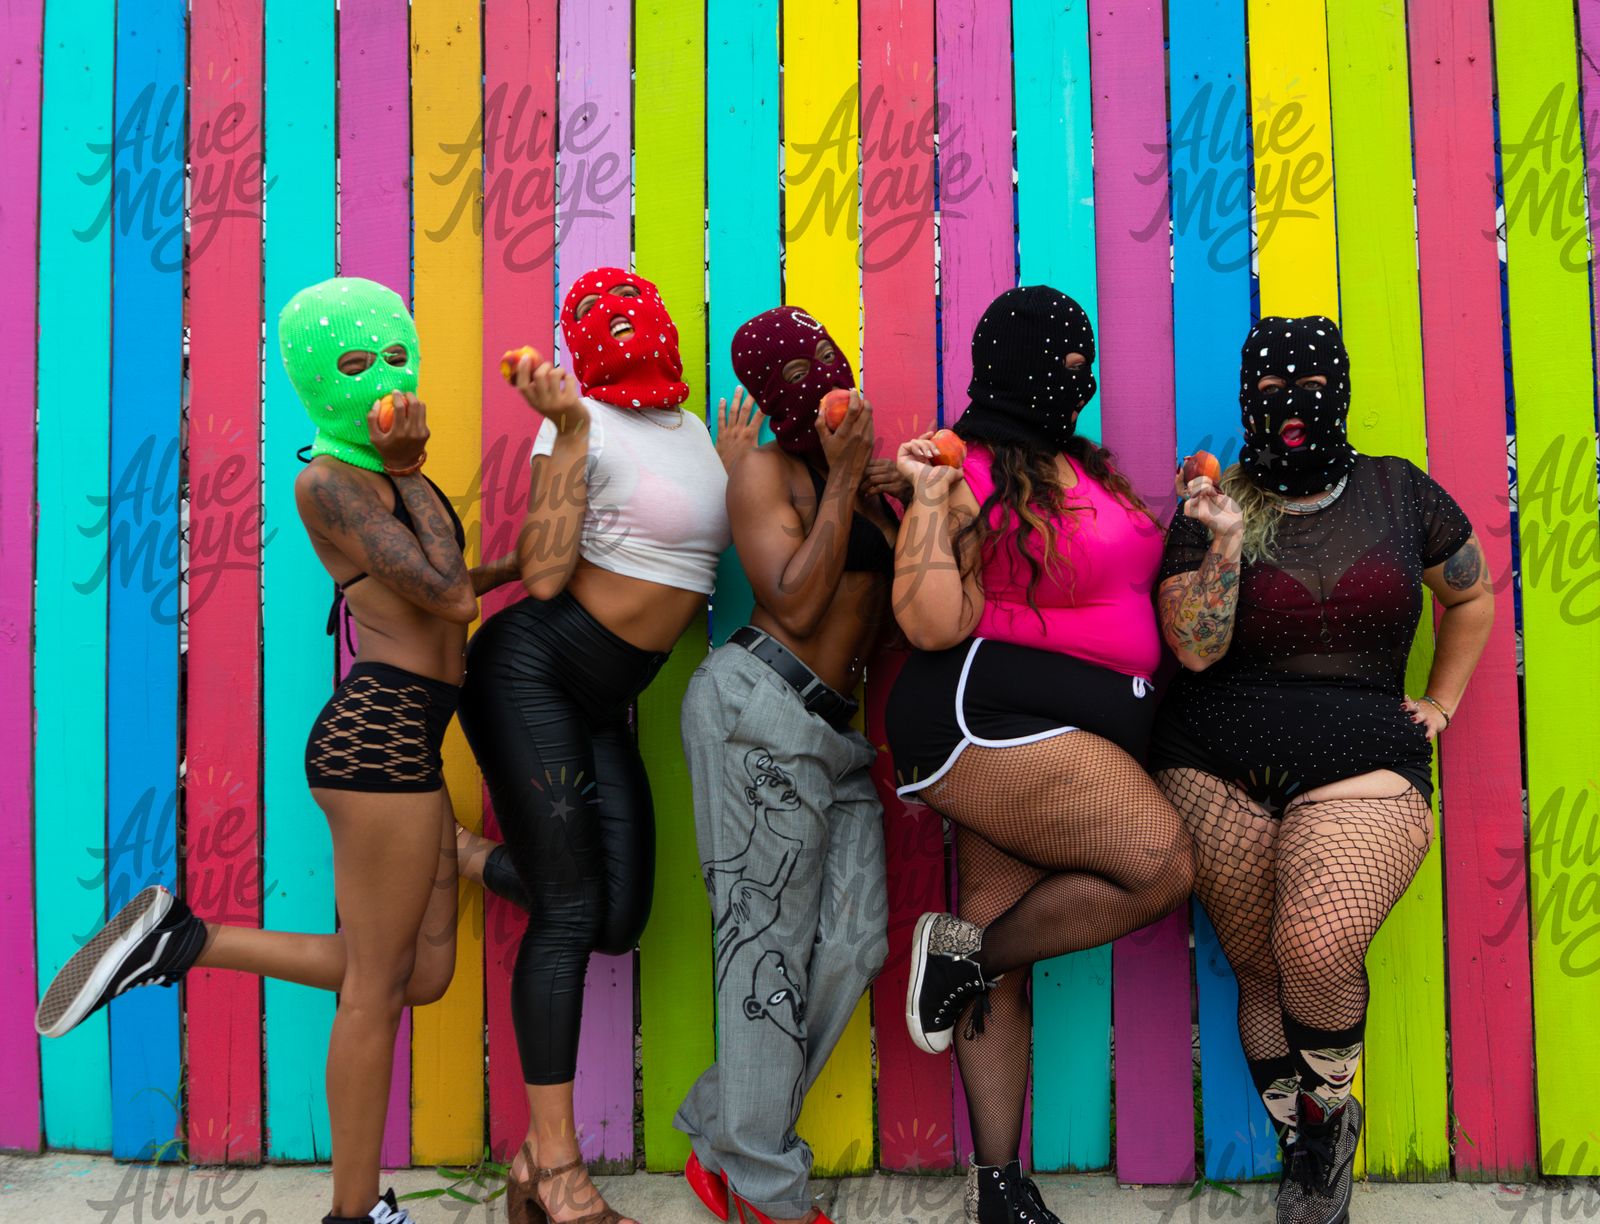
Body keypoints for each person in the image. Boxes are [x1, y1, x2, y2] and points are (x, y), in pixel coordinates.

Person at [35, 276, 479, 1224]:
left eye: (395, 355)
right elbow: (450, 595)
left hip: (411, 739)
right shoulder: (330, 480)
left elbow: (449, 582)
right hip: (379, 744)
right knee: (375, 991)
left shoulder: (388, 476)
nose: (383, 379)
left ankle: (185, 940)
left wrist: (543, 560)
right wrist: (410, 467)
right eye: (355, 363)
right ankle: (354, 1215)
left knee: (423, 976)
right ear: (318, 381)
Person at [1150, 316, 1493, 1224]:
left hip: (1364, 762)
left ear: (1338, 387)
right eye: (1267, 394)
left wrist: (1443, 700)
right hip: (1212, 766)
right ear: (1245, 401)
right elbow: (1193, 649)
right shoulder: (1211, 502)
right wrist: (1225, 541)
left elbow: (1470, 594)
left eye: (1306, 388)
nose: (1289, 408)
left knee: (1316, 948)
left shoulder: (1398, 491)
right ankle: (1307, 1150)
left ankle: (1330, 1119)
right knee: (1261, 967)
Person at [885, 286, 1194, 1224]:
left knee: (1002, 944)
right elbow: (928, 623)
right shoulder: (962, 464)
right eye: (1059, 364)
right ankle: (965, 958)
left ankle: (998, 1189)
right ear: (1008, 365)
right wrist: (928, 503)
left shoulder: (1080, 466)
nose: (1077, 379)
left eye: (1083, 363)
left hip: (1053, 730)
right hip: (989, 720)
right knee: (1160, 863)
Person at [454, 268, 730, 1224]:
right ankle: (558, 1171)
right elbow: (541, 576)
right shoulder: (576, 425)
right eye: (597, 319)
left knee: (617, 919)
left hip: (601, 701)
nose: (623, 327)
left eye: (635, 311)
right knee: (571, 912)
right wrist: (569, 430)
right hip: (530, 673)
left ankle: (469, 858)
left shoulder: (692, 430)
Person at [673, 307, 898, 1224]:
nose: (823, 384)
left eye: (829, 362)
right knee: (762, 950)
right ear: (770, 398)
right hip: (756, 710)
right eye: (798, 376)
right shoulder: (765, 472)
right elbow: (798, 605)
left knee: (855, 941)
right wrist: (842, 477)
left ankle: (719, 1128)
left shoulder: (868, 481)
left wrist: (912, 495)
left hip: (832, 735)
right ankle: (767, 1193)